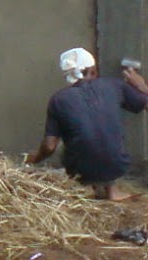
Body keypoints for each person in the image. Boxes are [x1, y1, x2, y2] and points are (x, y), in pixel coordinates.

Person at [25, 47, 148, 201]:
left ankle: (88, 186)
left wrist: (33, 159)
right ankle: (112, 191)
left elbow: (49, 146)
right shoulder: (114, 85)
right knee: (106, 137)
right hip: (118, 164)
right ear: (93, 70)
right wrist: (142, 87)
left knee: (73, 140)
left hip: (80, 171)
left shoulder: (58, 100)